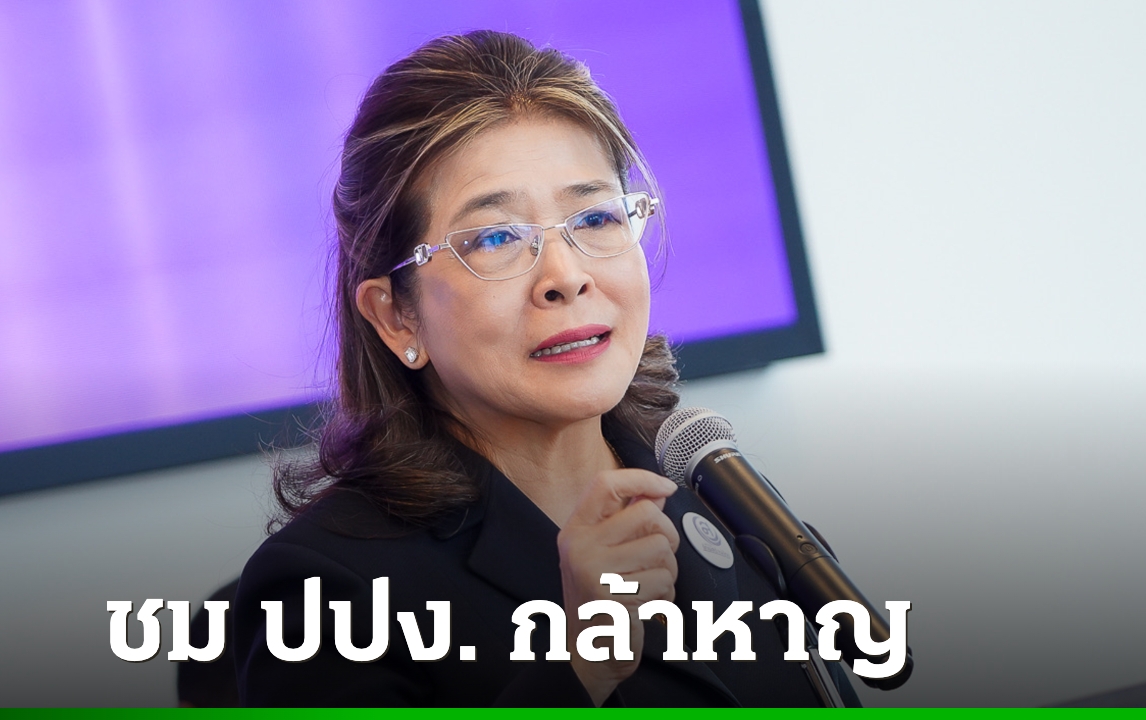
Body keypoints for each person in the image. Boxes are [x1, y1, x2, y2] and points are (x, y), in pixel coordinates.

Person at [233, 29, 860, 707]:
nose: (565, 276)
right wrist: (578, 666)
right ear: (397, 316)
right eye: (496, 237)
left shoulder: (713, 493)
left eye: (594, 218)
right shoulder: (326, 591)